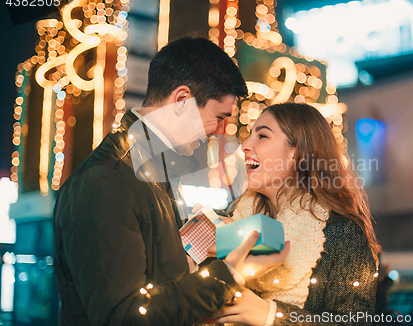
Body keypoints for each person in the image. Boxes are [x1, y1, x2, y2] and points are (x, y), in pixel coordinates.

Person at [53, 37, 290, 326]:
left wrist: (192, 255)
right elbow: (123, 316)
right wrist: (228, 274)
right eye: (218, 117)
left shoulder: (151, 169)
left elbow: (156, 282)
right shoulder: (107, 178)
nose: (217, 131)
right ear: (181, 100)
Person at [210, 103, 382, 325]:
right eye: (249, 135)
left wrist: (271, 316)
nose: (244, 145)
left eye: (262, 136)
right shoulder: (228, 220)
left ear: (298, 152)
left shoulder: (341, 233)